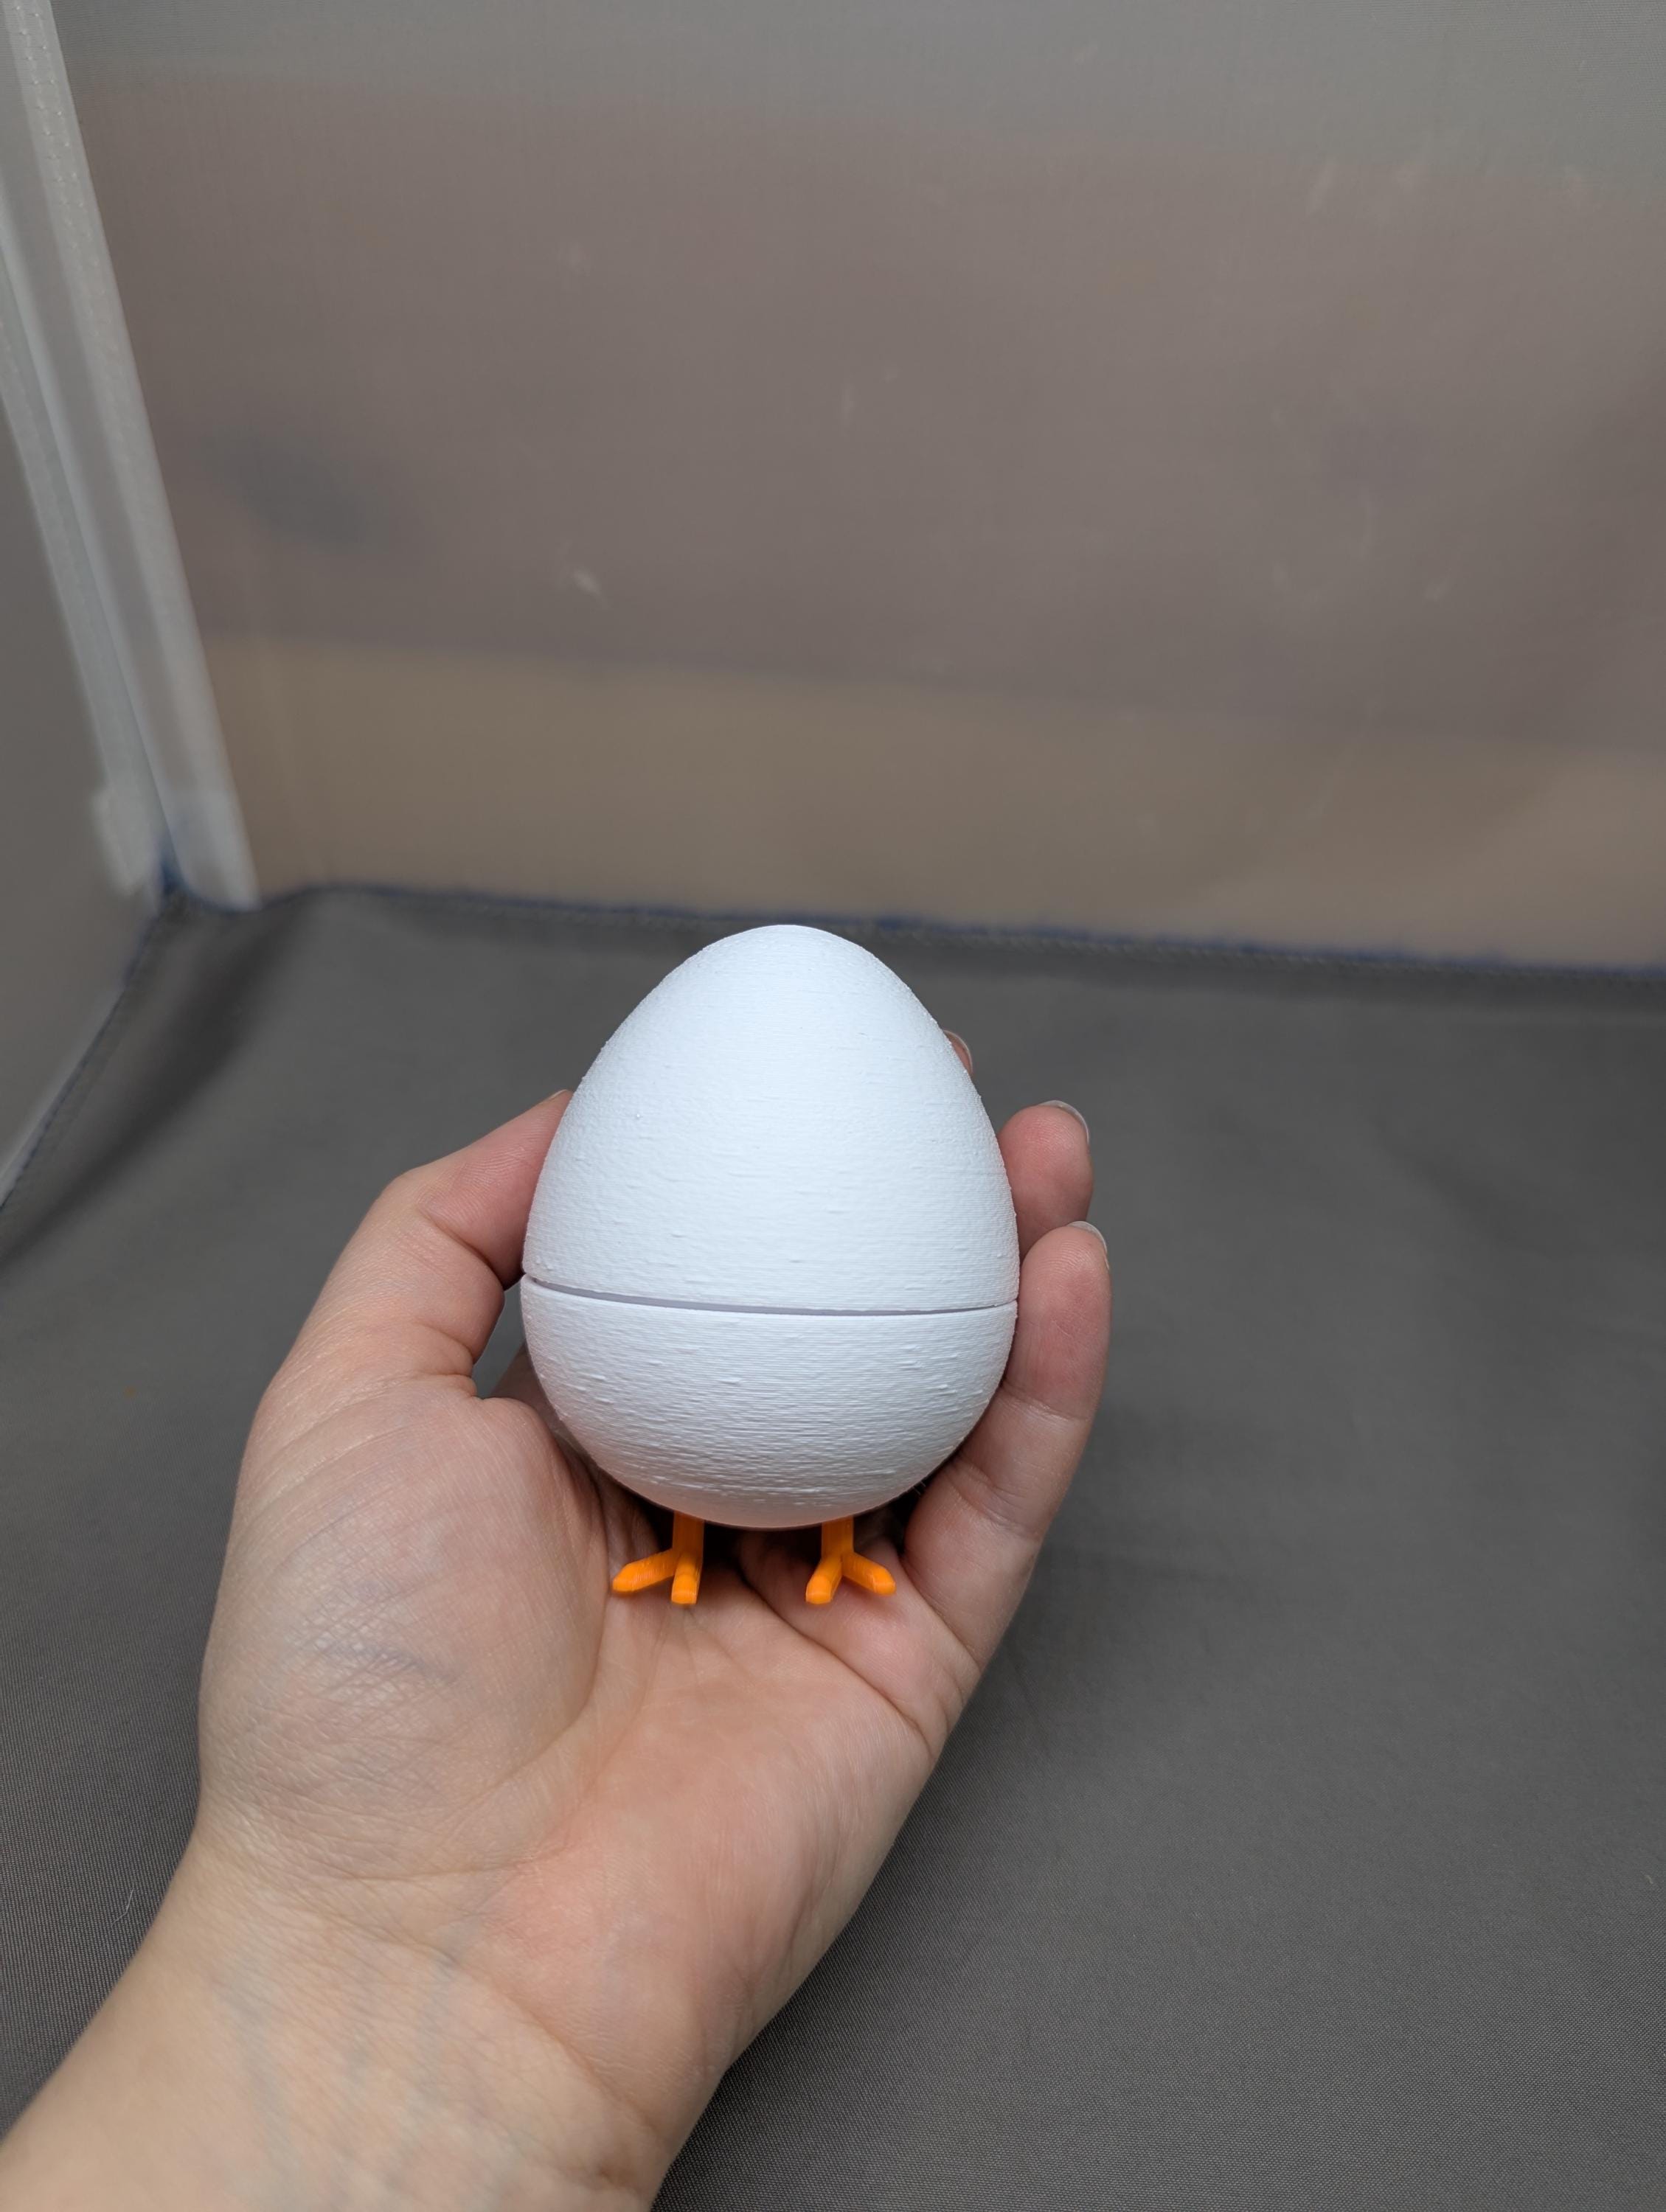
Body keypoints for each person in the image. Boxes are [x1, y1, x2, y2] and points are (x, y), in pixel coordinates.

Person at [0, 1079, 1109, 2210]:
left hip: (821, 1472)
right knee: (702, 1446)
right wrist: (358, 1927)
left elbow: (835, 1404)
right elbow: (691, 1416)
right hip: (667, 1479)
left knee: (790, 1437)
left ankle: (825, 1542)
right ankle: (706, 1544)